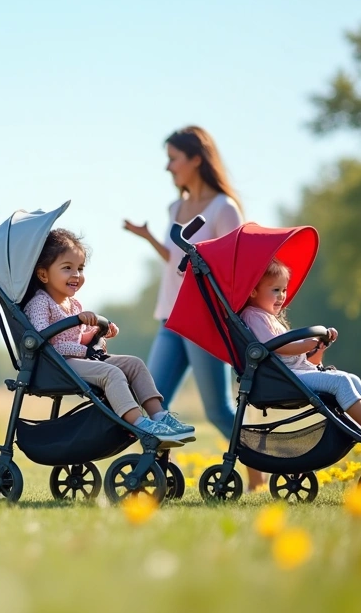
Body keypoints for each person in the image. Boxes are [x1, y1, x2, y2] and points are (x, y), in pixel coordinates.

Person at [122, 127, 260, 483]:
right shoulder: (176, 206)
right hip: (170, 317)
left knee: (217, 410)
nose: (168, 167)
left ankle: (259, 471)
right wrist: (149, 236)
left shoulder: (223, 209)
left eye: (173, 158)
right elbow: (175, 258)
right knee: (153, 402)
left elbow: (235, 269)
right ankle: (157, 475)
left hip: (203, 322)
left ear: (196, 159)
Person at [22, 229, 194, 442]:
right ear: (43, 274)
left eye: (80, 268)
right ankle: (141, 425)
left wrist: (96, 332)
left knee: (135, 364)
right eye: (67, 268)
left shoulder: (73, 304)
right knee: (111, 373)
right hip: (56, 364)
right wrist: (84, 350)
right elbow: (45, 343)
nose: (76, 275)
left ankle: (160, 416)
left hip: (78, 360)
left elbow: (76, 337)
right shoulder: (40, 303)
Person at [242, 259, 361, 453]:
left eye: (284, 290)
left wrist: (318, 348)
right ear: (253, 291)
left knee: (353, 379)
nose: (281, 296)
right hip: (282, 378)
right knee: (340, 381)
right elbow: (273, 347)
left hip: (295, 373)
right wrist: (304, 345)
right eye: (275, 290)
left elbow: (308, 364)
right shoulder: (253, 315)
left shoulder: (270, 319)